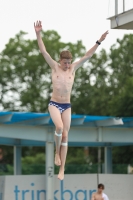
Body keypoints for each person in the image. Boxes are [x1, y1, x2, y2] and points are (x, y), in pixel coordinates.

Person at [34, 20, 108, 180]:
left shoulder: (73, 68)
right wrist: (38, 34)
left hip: (66, 105)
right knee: (59, 127)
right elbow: (43, 51)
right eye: (65, 62)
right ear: (60, 60)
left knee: (66, 135)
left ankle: (62, 169)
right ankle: (56, 153)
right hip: (54, 104)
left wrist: (99, 41)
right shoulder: (54, 67)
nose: (67, 65)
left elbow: (88, 55)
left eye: (69, 62)